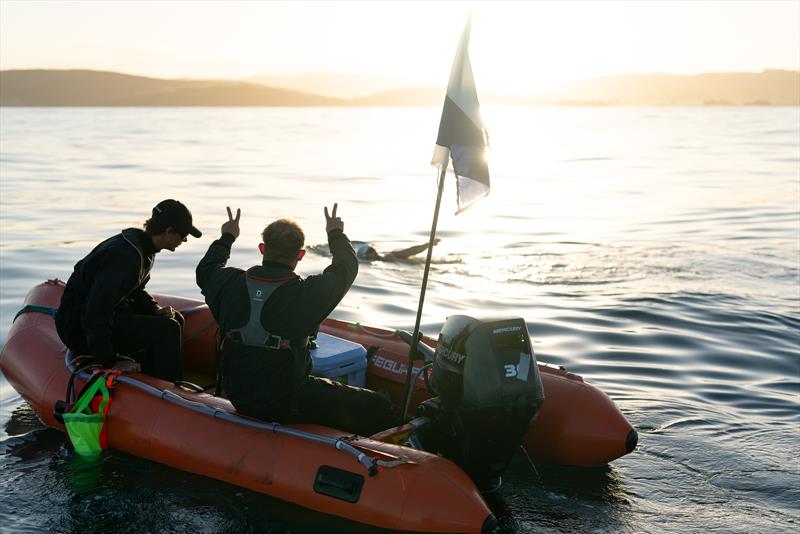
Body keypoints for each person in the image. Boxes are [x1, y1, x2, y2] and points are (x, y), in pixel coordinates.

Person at [196, 204, 393, 436]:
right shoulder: (307, 294)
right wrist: (335, 233)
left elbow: (206, 268)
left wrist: (227, 236)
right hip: (286, 401)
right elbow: (346, 268)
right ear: (300, 255)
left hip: (236, 393)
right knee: (378, 404)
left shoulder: (227, 282)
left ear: (262, 248)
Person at [55, 199, 202, 381]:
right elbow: (95, 311)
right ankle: (169, 389)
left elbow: (135, 291)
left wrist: (154, 309)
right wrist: (110, 361)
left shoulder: (143, 248)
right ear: (168, 231)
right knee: (168, 330)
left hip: (101, 317)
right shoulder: (126, 258)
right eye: (183, 235)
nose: (185, 240)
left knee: (174, 320)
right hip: (78, 329)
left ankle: (150, 372)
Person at [354, 238, 440, 262]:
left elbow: (411, 251)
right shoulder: (386, 258)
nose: (374, 251)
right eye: (371, 250)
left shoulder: (388, 256)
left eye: (372, 249)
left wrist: (429, 244)